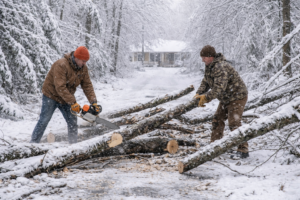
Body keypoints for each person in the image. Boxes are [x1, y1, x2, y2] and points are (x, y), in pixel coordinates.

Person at [30, 46, 100, 144]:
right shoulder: (61, 64)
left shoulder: (83, 68)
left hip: (66, 98)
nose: (85, 63)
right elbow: (60, 87)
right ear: (77, 58)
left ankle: (73, 146)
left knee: (72, 122)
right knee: (44, 121)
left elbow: (87, 85)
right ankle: (33, 144)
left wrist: (94, 102)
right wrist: (73, 102)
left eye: (86, 61)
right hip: (51, 95)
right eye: (83, 61)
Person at [194, 45, 249, 158]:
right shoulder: (210, 66)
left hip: (237, 96)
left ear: (211, 56)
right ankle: (215, 145)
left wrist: (206, 97)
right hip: (226, 97)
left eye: (204, 57)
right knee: (217, 119)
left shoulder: (220, 67)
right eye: (202, 57)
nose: (202, 59)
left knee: (234, 122)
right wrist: (199, 94)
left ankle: (243, 150)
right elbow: (206, 81)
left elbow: (219, 88)